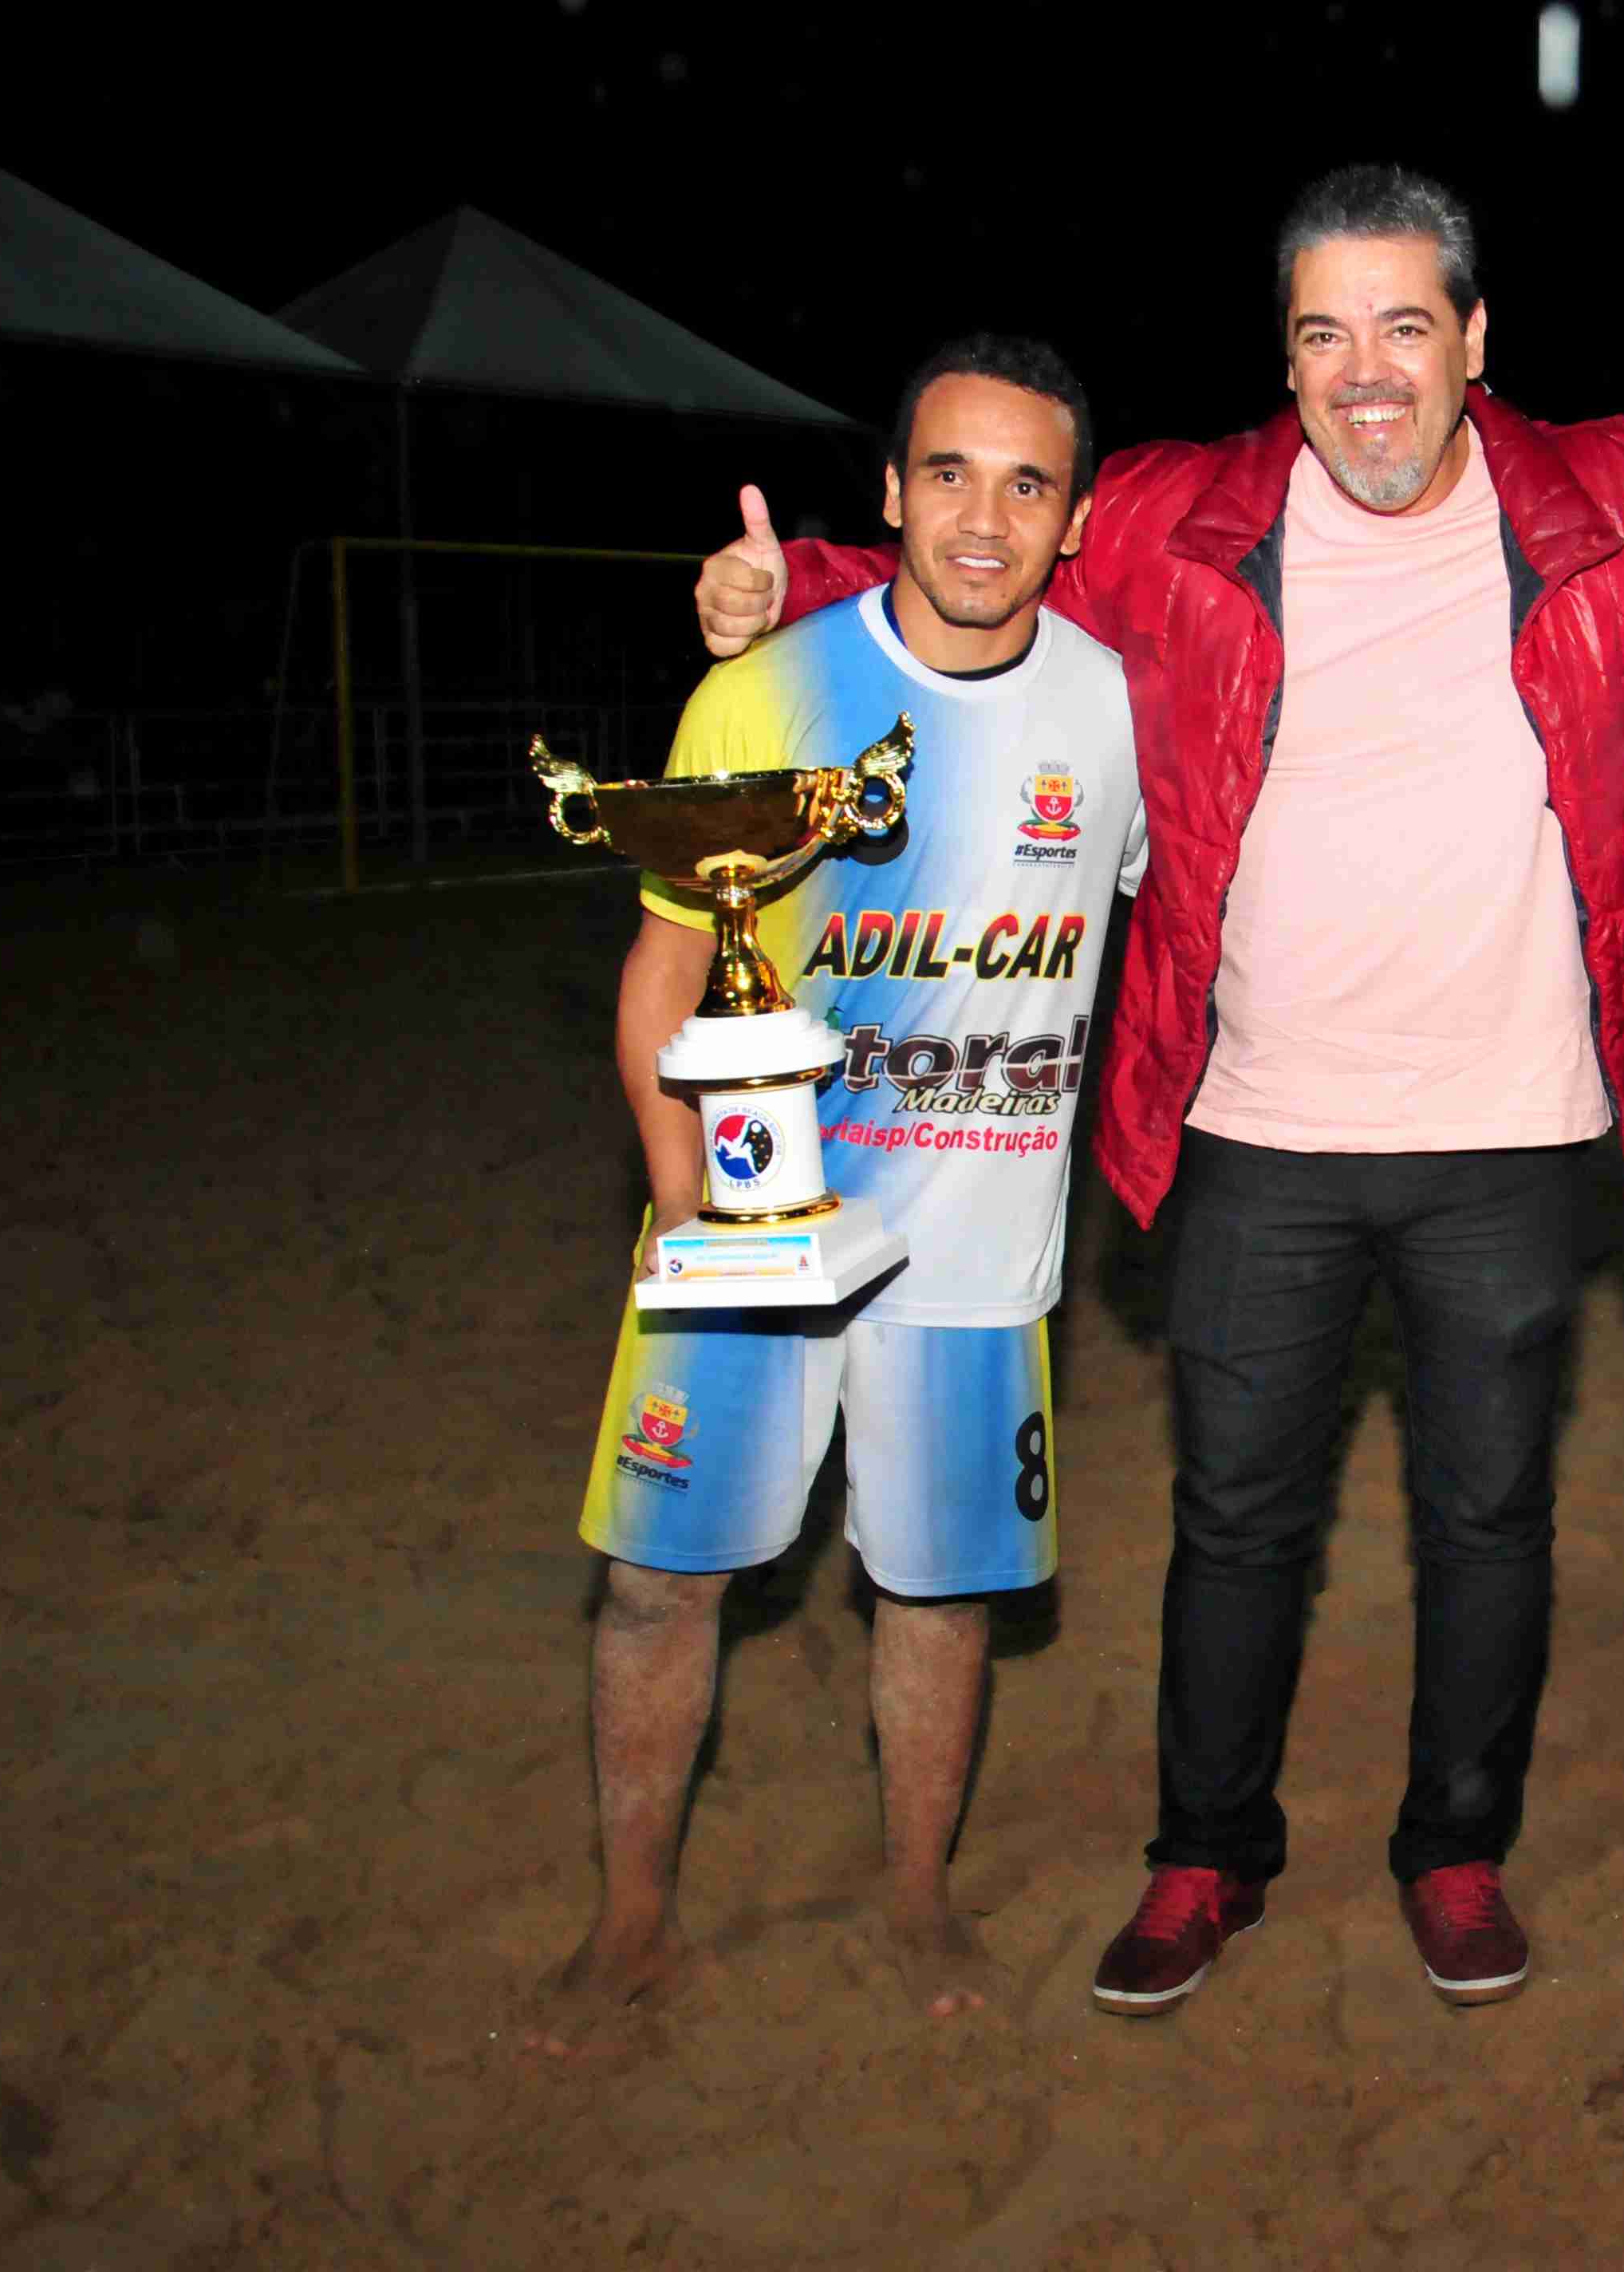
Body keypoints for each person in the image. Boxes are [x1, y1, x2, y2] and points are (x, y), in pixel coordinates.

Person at [687, 165, 1624, 2017]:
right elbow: (979, 561)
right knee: (1234, 1520)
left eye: (1399, 326)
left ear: (1471, 339)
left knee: (1487, 1518)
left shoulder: (1616, 496)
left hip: (1518, 1126)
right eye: (1318, 333)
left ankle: (1455, 1847)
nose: (1362, 372)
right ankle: (1205, 1852)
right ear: (1282, 359)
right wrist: (790, 578)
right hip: (1253, 1128)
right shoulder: (1172, 515)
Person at [533, 337, 1145, 2051]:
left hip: (975, 1249)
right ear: (884, 496)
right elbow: (664, 981)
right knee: (659, 1579)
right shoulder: (770, 698)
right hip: (755, 1228)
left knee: (935, 1591)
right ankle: (630, 1916)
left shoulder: (1110, 707)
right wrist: (685, 1206)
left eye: (1026, 483)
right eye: (947, 472)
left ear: (1074, 517)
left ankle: (914, 1890)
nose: (981, 516)